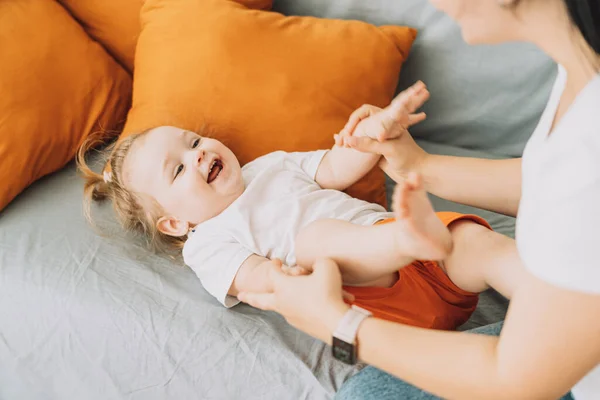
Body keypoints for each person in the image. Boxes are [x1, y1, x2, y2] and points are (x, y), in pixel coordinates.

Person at [236, 0, 600, 399]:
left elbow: (515, 380)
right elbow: (554, 181)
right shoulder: (581, 67)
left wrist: (336, 323)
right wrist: (418, 167)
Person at [78, 81, 520, 330]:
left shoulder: (270, 166)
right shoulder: (205, 241)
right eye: (177, 170)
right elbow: (251, 279)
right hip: (376, 298)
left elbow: (335, 168)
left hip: (431, 263)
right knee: (313, 243)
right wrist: (275, 275)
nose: (196, 154)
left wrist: (373, 134)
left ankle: (557, 294)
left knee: (477, 244)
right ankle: (404, 236)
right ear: (175, 222)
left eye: (193, 142)